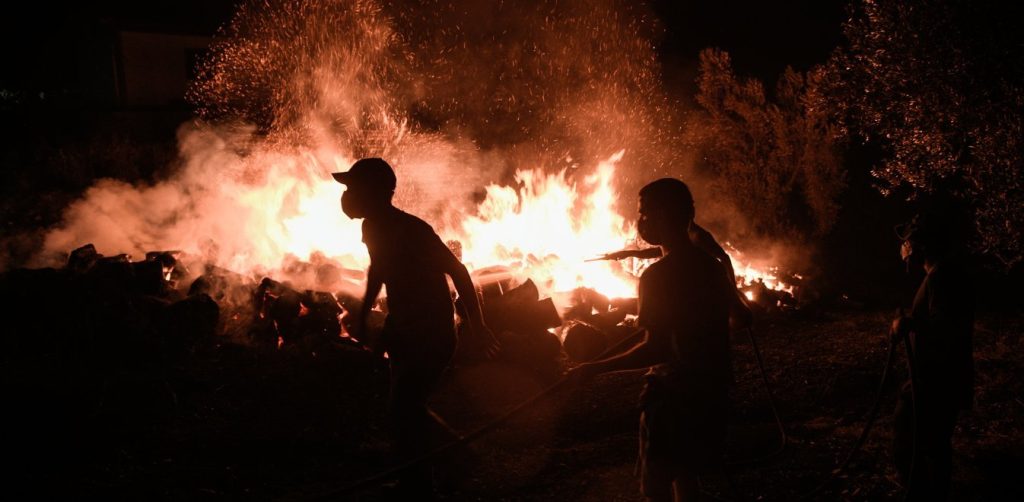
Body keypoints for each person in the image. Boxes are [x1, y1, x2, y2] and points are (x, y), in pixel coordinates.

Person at [333, 157, 499, 496]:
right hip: (403, 328)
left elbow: (459, 272)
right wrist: (365, 314)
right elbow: (379, 271)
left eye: (354, 187)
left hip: (432, 331)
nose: (348, 194)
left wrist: (477, 326)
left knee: (406, 407)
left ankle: (456, 458)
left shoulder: (412, 229)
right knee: (402, 409)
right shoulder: (371, 228)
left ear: (378, 191)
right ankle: (416, 479)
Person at [570, 178, 737, 501]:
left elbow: (656, 348)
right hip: (713, 393)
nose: (640, 220)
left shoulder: (656, 277)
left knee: (656, 486)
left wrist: (594, 368)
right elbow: (742, 317)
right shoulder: (711, 267)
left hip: (674, 398)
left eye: (644, 213)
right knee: (688, 476)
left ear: (663, 216)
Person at [890, 212, 974, 500]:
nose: (903, 248)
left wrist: (908, 323)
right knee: (931, 446)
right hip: (936, 379)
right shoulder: (940, 275)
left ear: (920, 246)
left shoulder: (941, 278)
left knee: (912, 446)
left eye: (907, 242)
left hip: (933, 382)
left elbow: (946, 327)